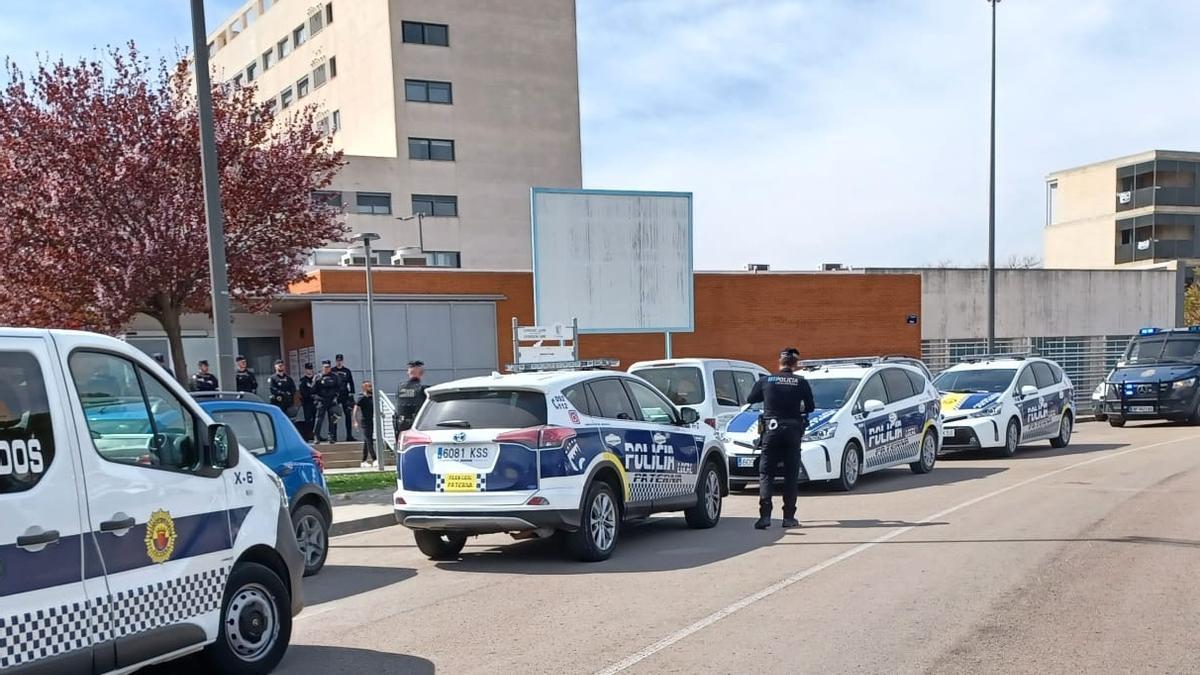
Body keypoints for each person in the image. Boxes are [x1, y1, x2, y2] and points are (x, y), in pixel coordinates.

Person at [746, 347, 814, 530]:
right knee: (790, 475)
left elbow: (750, 398)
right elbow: (810, 407)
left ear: (779, 362)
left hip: (771, 430)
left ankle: (765, 516)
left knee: (766, 473)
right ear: (795, 364)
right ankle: (789, 517)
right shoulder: (801, 382)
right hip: (792, 430)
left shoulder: (766, 380)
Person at [393, 360, 427, 441]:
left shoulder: (400, 387)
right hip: (417, 425)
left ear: (408, 373)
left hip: (400, 424)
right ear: (422, 373)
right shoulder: (424, 389)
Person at [313, 360, 343, 444]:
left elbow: (339, 387)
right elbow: (312, 390)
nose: (327, 369)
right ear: (322, 368)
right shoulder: (318, 377)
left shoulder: (335, 376)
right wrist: (316, 398)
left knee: (332, 419)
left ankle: (331, 437)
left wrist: (336, 397)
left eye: (328, 367)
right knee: (319, 419)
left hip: (331, 400)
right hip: (321, 401)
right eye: (325, 367)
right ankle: (316, 436)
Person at [332, 354, 356, 441]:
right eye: (338, 360)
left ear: (342, 361)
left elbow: (351, 383)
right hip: (336, 395)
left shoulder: (347, 371)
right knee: (335, 416)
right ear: (336, 361)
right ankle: (333, 436)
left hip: (345, 395)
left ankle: (349, 436)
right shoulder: (332, 370)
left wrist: (352, 394)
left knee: (348, 416)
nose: (339, 362)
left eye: (340, 360)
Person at [353, 381, 377, 467]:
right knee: (369, 440)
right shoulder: (361, 398)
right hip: (364, 421)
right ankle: (375, 459)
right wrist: (355, 421)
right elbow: (355, 410)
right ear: (365, 388)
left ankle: (363, 461)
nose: (371, 388)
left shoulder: (372, 398)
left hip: (370, 420)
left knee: (366, 441)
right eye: (369, 387)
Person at [298, 363, 317, 441]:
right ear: (305, 370)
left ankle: (315, 435)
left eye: (310, 369)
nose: (309, 370)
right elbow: (303, 392)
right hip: (307, 403)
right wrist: (310, 395)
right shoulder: (303, 380)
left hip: (315, 402)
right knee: (308, 420)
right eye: (308, 369)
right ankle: (307, 436)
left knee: (316, 419)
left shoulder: (315, 379)